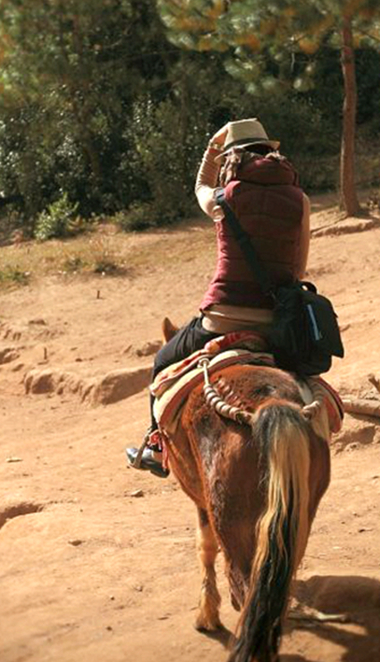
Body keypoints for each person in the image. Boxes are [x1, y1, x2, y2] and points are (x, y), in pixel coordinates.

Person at [126, 117, 311, 477]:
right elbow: (298, 273)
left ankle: (154, 445)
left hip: (221, 319)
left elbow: (200, 185)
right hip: (277, 323)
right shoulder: (300, 199)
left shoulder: (223, 199)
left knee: (162, 361)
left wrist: (212, 147)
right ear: (269, 153)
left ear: (232, 159)